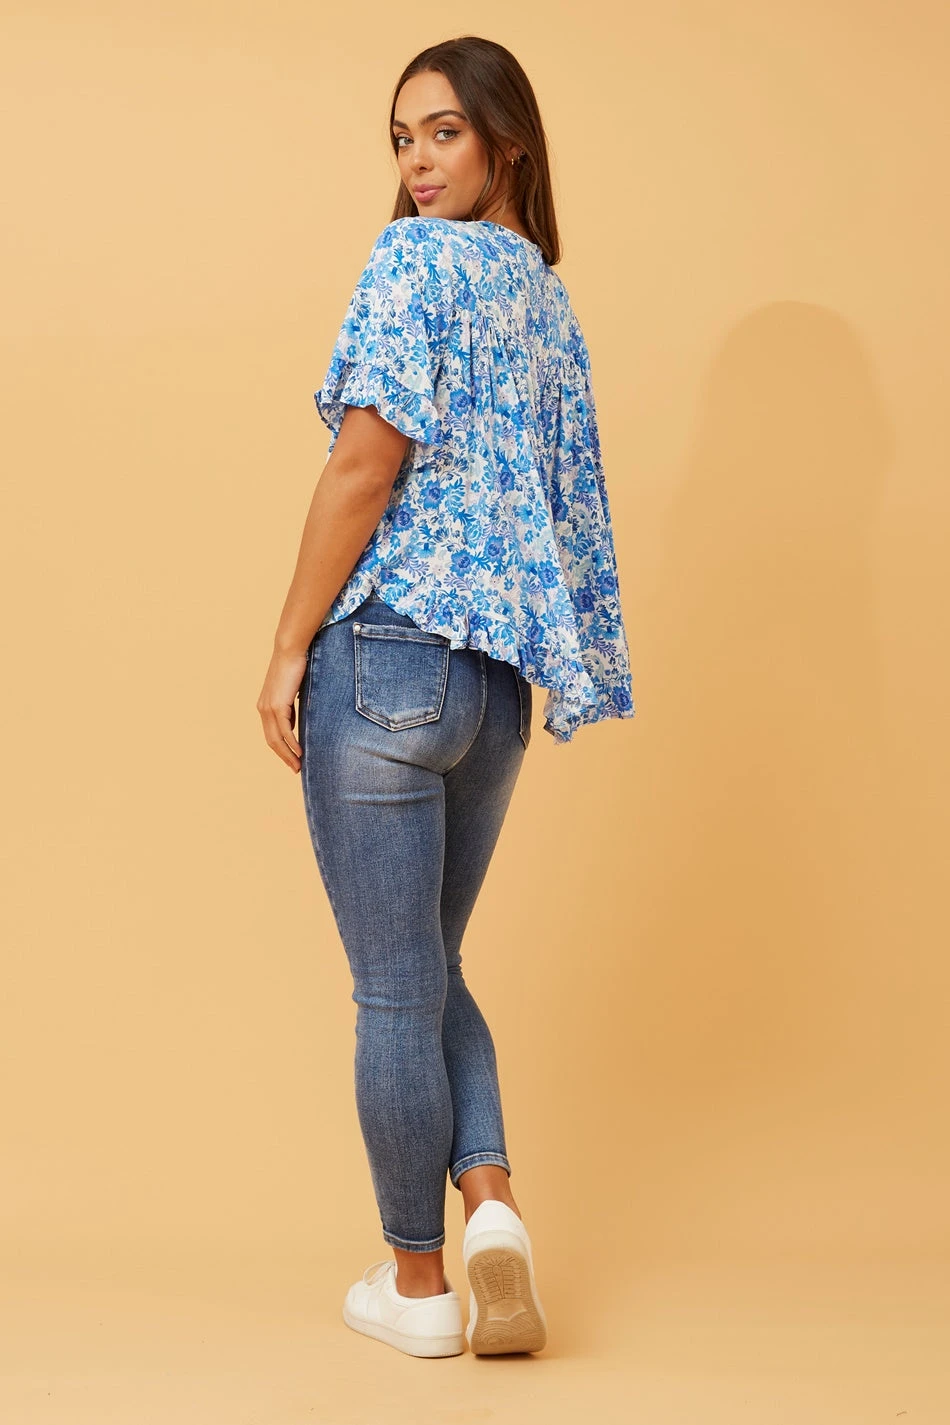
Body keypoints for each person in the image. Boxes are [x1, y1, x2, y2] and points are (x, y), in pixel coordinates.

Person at [256, 35, 635, 1359]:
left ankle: (416, 1289)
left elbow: (364, 465)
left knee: (393, 992)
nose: (417, 163)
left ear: (505, 143)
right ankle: (492, 1206)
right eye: (401, 139)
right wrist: (570, 657)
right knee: (427, 968)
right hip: (493, 686)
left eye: (443, 133)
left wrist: (289, 646)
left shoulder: (413, 263)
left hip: (388, 659)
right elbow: (571, 502)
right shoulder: (543, 297)